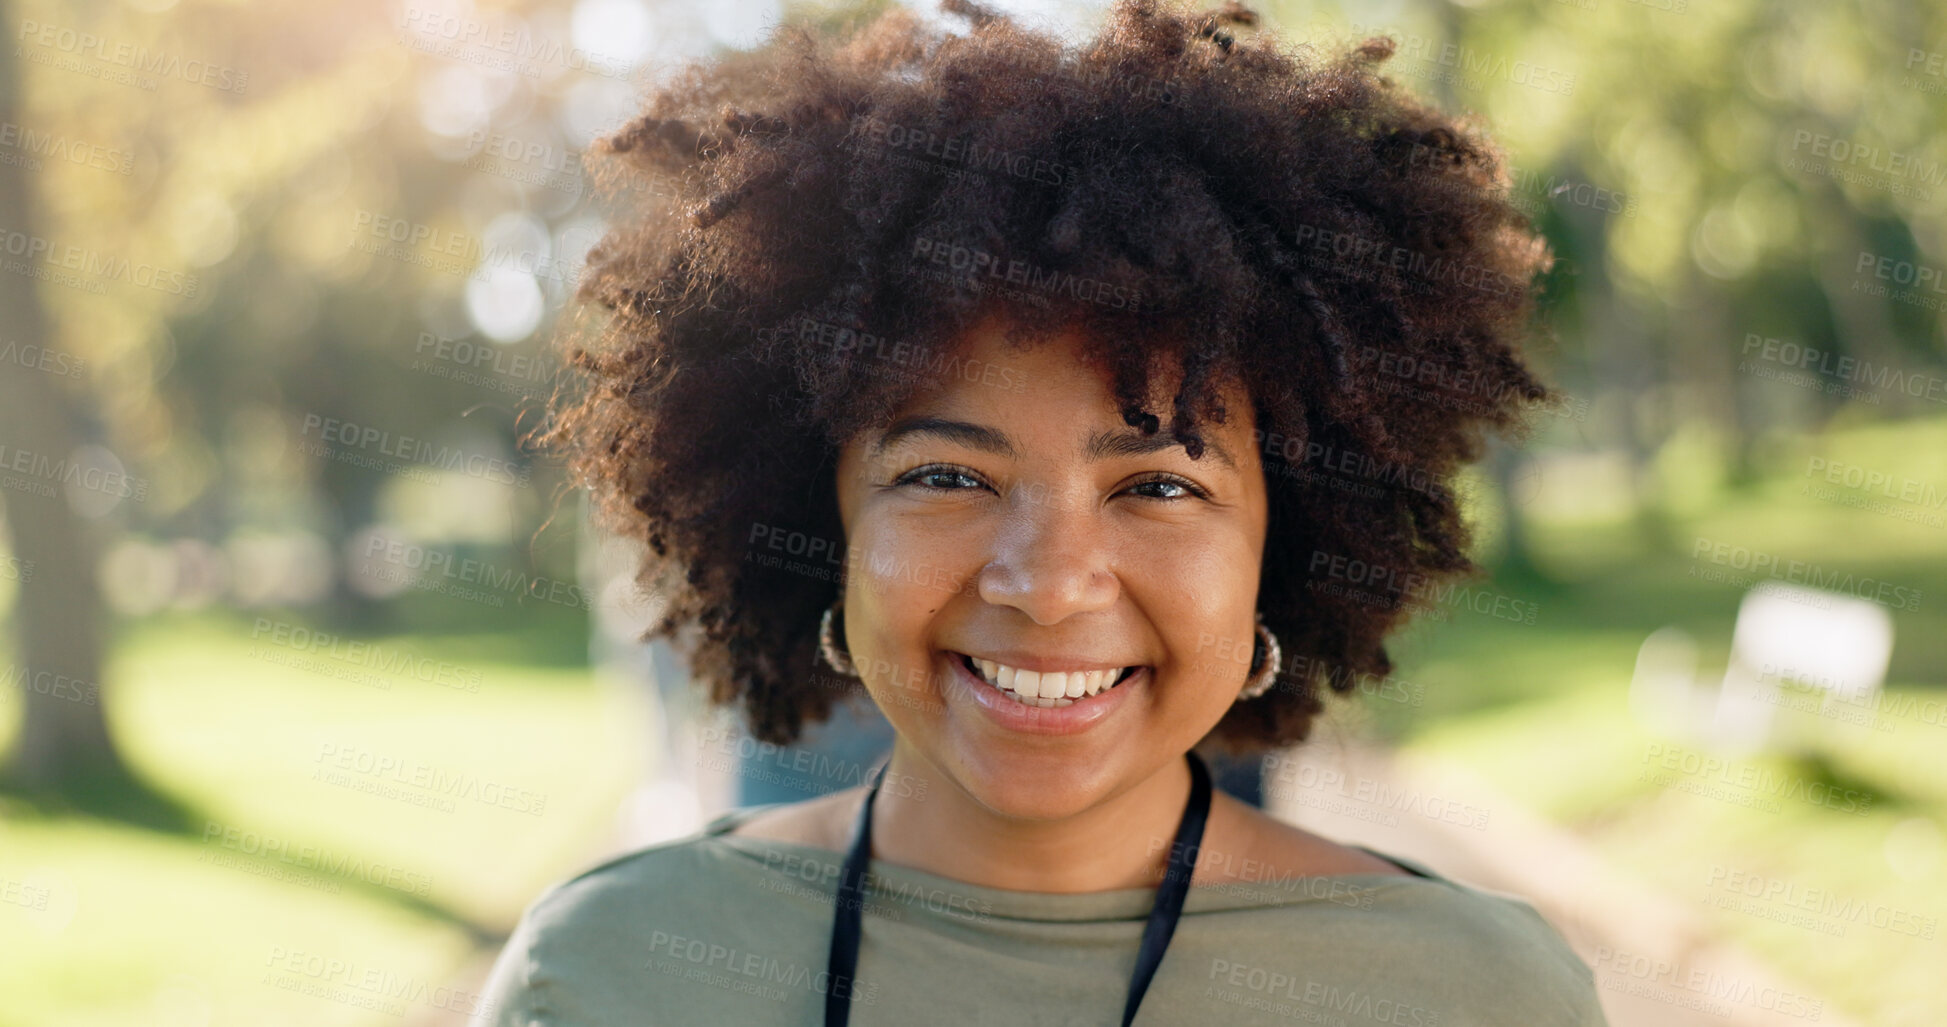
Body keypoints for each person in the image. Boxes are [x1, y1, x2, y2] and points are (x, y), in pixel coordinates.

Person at [478, 0, 1606, 1023]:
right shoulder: (606, 976)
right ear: (825, 524)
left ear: (1287, 541)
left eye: (1159, 485)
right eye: (946, 477)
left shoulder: (1472, 998)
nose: (1050, 579)